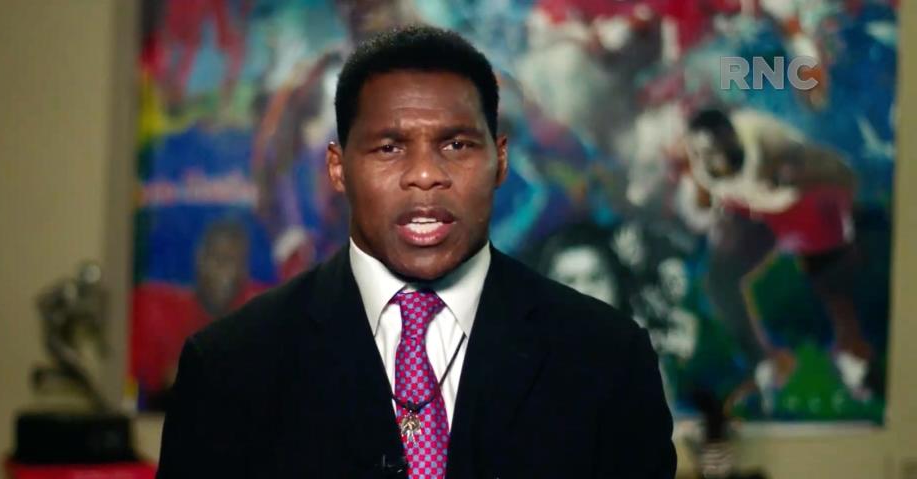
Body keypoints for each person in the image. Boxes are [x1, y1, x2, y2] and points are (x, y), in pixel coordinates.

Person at [157, 26, 675, 478]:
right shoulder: (229, 367)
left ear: (499, 160)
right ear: (338, 168)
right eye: (389, 147)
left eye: (456, 145)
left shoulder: (607, 360)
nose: (426, 174)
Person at [684, 108, 873, 411]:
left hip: (807, 197)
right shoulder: (704, 170)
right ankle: (764, 362)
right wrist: (721, 213)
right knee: (719, 280)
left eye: (721, 146)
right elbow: (707, 203)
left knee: (830, 277)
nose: (715, 157)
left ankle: (854, 356)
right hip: (760, 209)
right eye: (705, 151)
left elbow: (812, 178)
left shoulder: (769, 143)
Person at [131, 219, 266, 409]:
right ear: (199, 258)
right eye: (218, 259)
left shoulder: (263, 312)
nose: (227, 272)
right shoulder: (160, 312)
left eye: (235, 262)